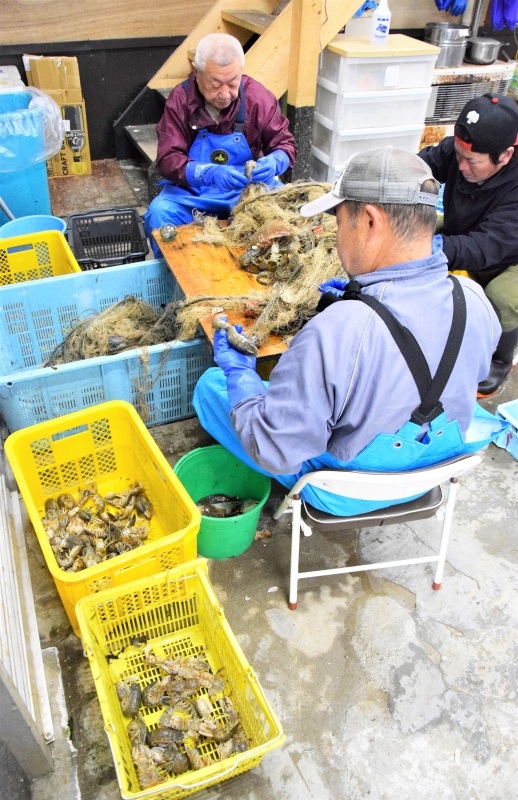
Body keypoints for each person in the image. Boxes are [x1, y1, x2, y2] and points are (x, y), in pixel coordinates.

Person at [193, 147, 507, 516]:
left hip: (343, 491)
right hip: (431, 474)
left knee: (213, 387)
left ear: (371, 222)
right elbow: (470, 373)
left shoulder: (335, 332)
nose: (338, 236)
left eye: (340, 222)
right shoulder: (474, 299)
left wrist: (240, 376)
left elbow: (276, 452)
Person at [143, 33, 296, 257]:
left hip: (246, 193)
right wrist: (209, 173)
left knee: (289, 213)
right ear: (197, 72)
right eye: (215, 85)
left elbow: (285, 144)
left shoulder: (258, 98)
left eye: (233, 83)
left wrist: (275, 162)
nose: (225, 94)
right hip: (192, 194)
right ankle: (175, 280)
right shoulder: (180, 100)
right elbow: (167, 159)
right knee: (160, 213)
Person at [418, 93, 518, 396]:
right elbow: (422, 166)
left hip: (507, 254)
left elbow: (487, 246)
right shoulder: (459, 151)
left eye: (470, 161)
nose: (460, 166)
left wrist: (436, 247)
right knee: (407, 226)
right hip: (464, 228)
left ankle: (501, 358)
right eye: (458, 155)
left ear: (505, 155)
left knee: (502, 297)